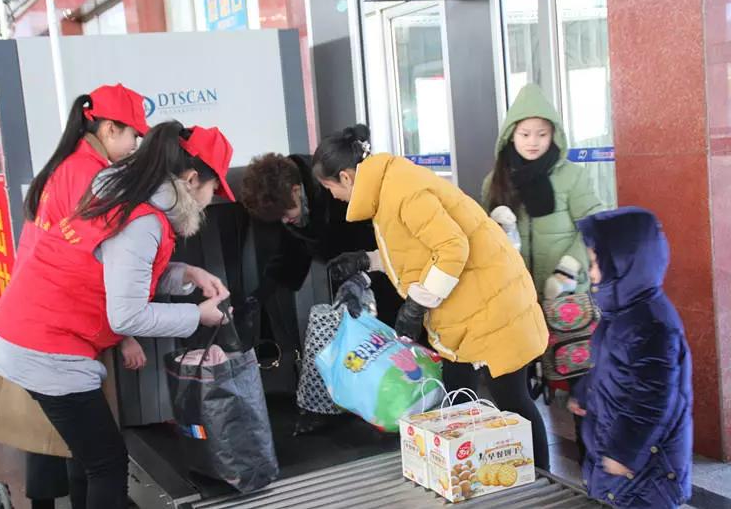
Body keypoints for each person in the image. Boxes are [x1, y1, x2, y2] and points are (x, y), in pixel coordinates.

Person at [0, 121, 235, 509]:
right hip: (46, 344)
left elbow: (120, 271)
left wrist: (188, 274)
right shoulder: (144, 220)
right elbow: (126, 316)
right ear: (191, 180)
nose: (212, 198)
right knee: (107, 463)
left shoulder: (124, 194)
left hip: (29, 329)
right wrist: (196, 315)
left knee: (89, 456)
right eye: (214, 188)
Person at [316, 124, 551, 470]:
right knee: (457, 396)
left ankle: (543, 480)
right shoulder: (389, 185)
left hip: (495, 304)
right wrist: (366, 260)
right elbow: (416, 249)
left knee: (512, 399)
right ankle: (468, 474)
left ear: (346, 177)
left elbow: (452, 248)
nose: (333, 197)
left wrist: (416, 305)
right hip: (468, 307)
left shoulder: (401, 190)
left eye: (329, 188)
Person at [16, 84, 150, 509]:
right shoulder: (89, 175)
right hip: (59, 323)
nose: (135, 146)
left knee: (78, 446)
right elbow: (95, 260)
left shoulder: (69, 164)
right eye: (133, 135)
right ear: (109, 129)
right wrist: (125, 333)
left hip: (38, 315)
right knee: (102, 459)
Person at [568, 207, 692, 508]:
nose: (591, 273)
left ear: (623, 263)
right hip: (617, 451)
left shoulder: (652, 325)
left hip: (647, 467)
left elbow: (653, 397)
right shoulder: (620, 314)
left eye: (596, 263)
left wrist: (624, 451)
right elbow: (605, 365)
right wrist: (584, 393)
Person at [240, 152, 401, 323]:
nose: (284, 221)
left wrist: (364, 276)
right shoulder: (290, 201)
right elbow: (290, 255)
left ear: (296, 191)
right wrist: (258, 296)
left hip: (391, 269)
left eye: (285, 214)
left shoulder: (334, 185)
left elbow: (384, 239)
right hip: (350, 281)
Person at [483, 83, 603, 300]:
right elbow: (482, 236)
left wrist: (569, 268)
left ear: (553, 135)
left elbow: (594, 225)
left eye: (542, 134)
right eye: (525, 134)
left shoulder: (573, 176)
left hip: (566, 296)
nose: (533, 142)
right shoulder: (495, 180)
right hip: (514, 296)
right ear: (512, 135)